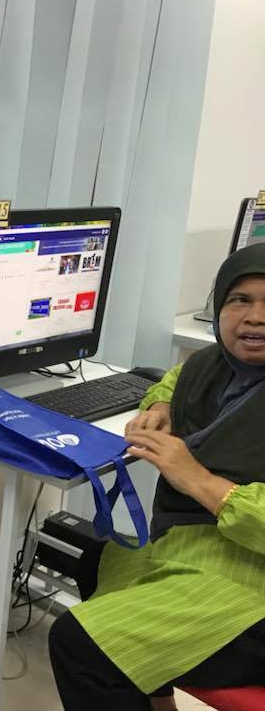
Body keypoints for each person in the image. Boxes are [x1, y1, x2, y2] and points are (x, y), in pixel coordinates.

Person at [48, 243, 265, 710]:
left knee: (80, 645)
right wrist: (160, 405)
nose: (256, 318)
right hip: (198, 545)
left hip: (253, 585)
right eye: (240, 300)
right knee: (96, 562)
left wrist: (199, 480)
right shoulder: (214, 365)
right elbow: (174, 379)